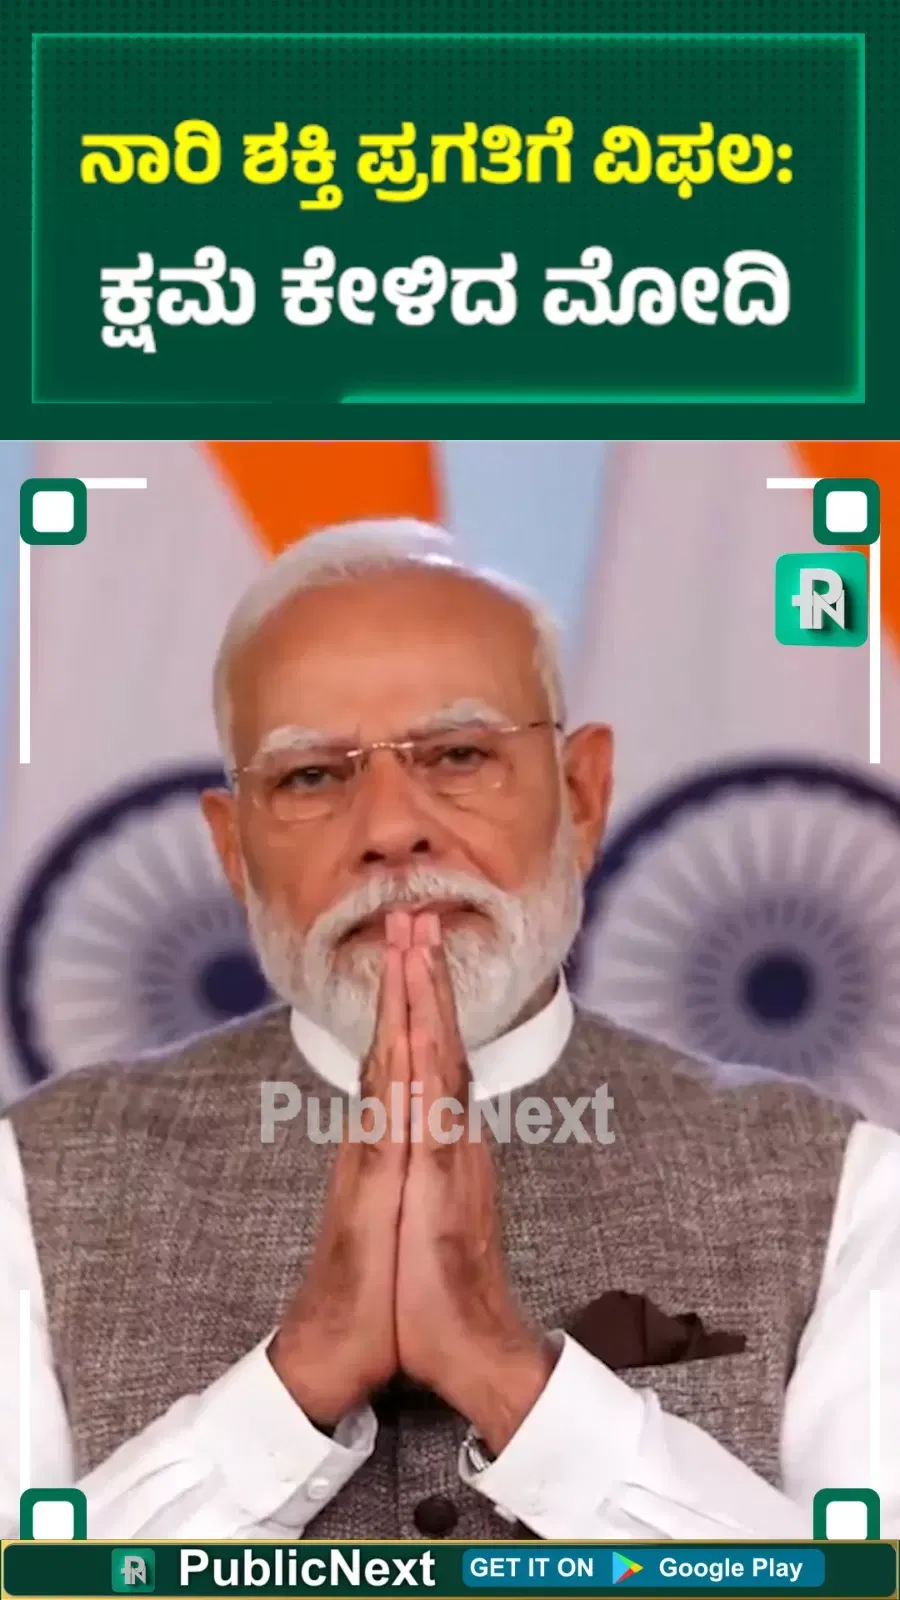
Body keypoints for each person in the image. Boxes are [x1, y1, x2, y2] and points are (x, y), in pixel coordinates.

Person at [1, 518, 897, 1540]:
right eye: (311, 776)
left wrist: (511, 1378)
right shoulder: (33, 1179)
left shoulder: (841, 1186)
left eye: (460, 755)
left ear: (582, 797)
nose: (392, 830)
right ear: (235, 851)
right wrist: (294, 1383)